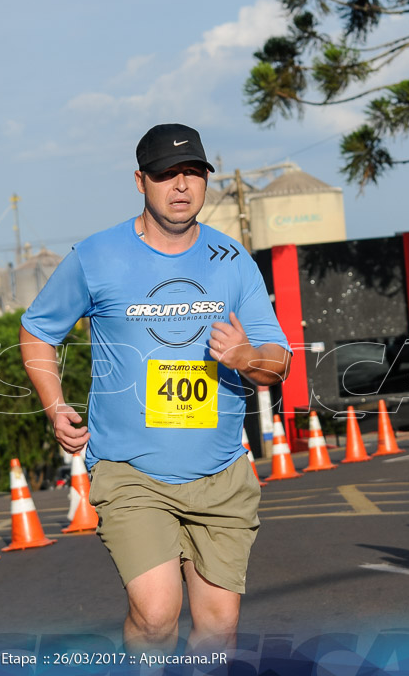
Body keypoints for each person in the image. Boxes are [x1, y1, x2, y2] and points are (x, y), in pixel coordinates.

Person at [20, 123, 291, 655]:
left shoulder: (233, 260)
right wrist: (54, 406)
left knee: (217, 628)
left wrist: (244, 357)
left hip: (220, 472)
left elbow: (276, 361)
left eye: (193, 173)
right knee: (157, 615)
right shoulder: (96, 257)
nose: (182, 186)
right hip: (131, 471)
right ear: (140, 181)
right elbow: (37, 330)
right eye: (167, 175)